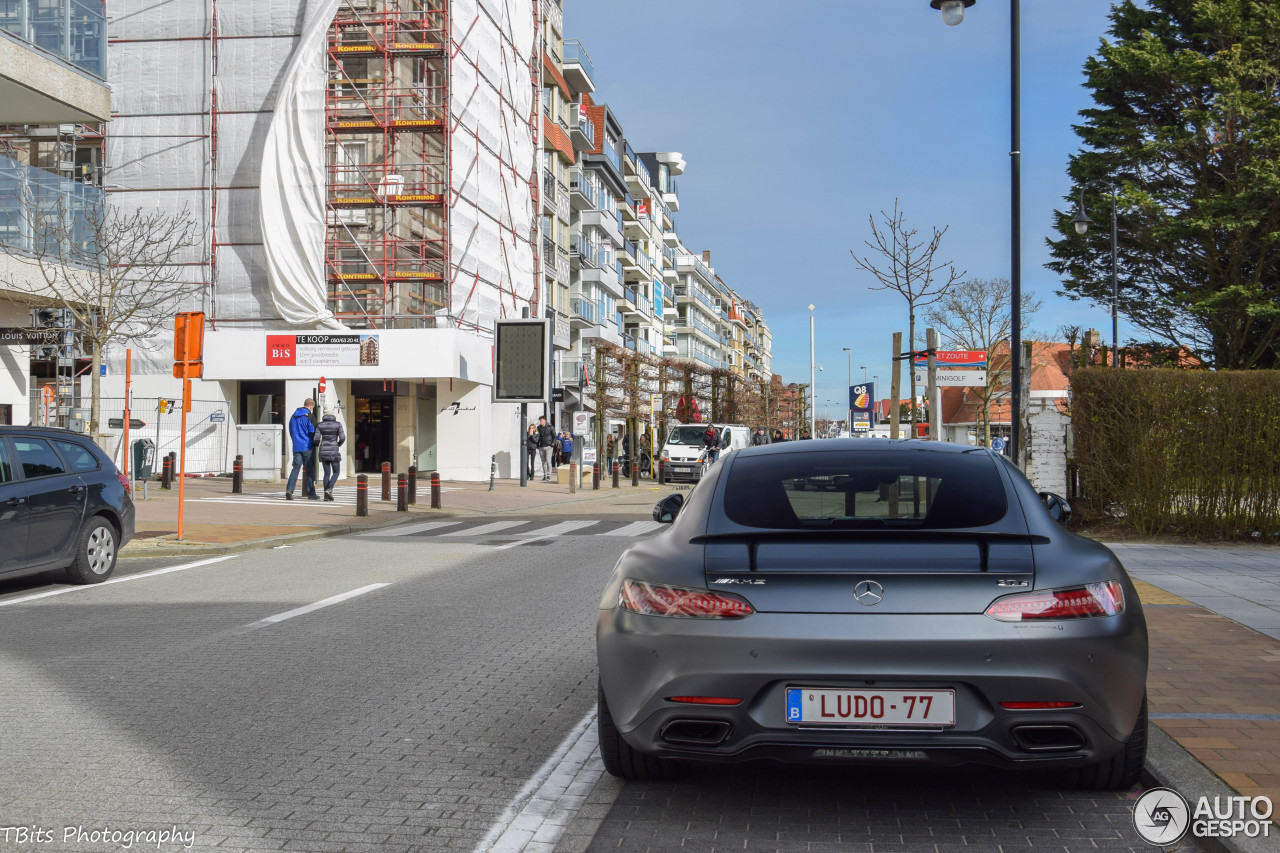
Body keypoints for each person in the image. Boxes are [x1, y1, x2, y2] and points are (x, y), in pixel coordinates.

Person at [285, 398, 319, 500]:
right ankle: (311, 493)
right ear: (311, 406)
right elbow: (313, 431)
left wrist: (295, 440)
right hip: (307, 446)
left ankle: (289, 490)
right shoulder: (309, 416)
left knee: (295, 468)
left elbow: (291, 430)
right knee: (309, 470)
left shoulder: (293, 416)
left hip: (296, 446)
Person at [315, 410, 346, 501]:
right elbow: (342, 437)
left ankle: (325, 496)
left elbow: (316, 439)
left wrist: (317, 445)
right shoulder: (338, 424)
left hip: (323, 450)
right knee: (336, 472)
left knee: (326, 473)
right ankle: (329, 489)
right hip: (334, 450)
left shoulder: (320, 425)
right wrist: (338, 444)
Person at [536, 415, 556, 481]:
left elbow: (554, 437)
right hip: (541, 446)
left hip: (548, 446)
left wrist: (552, 445)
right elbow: (537, 437)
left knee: (548, 461)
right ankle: (545, 475)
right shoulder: (538, 428)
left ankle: (549, 475)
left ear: (544, 420)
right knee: (543, 462)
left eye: (541, 421)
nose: (540, 422)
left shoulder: (550, 427)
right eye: (540, 421)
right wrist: (537, 445)